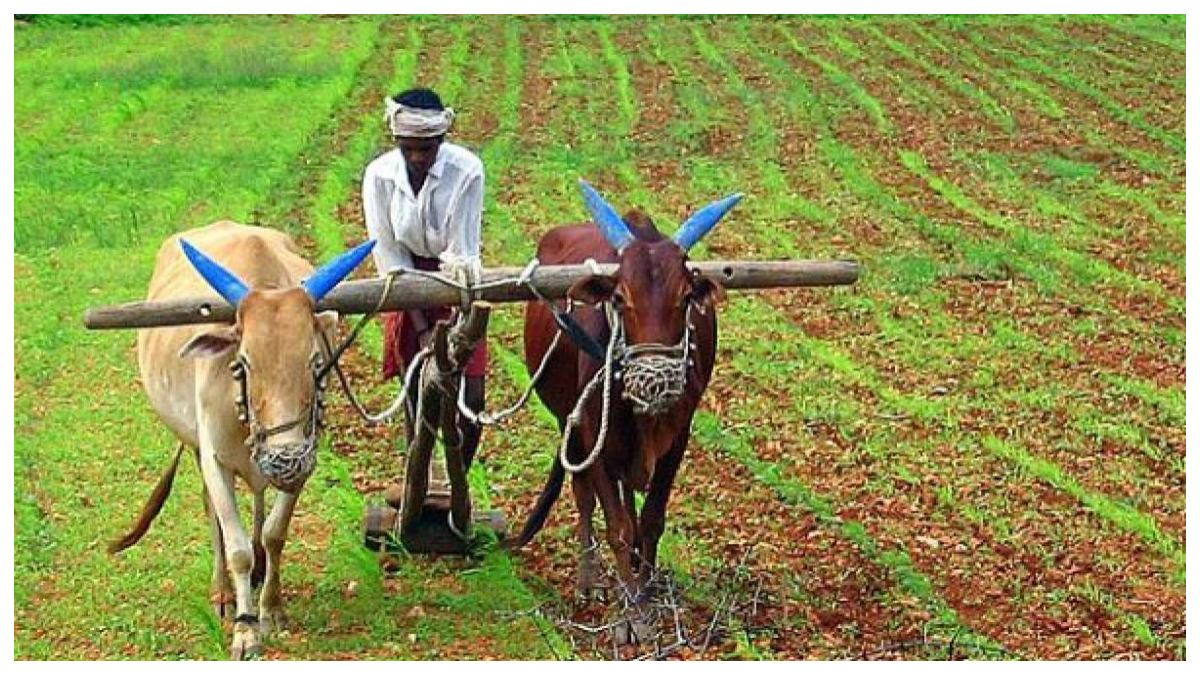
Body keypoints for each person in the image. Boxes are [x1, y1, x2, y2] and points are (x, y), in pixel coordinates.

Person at [362, 87, 487, 470]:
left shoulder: (467, 171)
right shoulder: (380, 176)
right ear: (397, 142)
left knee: (472, 397)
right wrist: (420, 329)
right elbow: (390, 255)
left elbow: (462, 254)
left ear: (442, 140)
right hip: (406, 285)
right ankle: (418, 473)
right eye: (409, 148)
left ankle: (457, 477)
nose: (417, 157)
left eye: (427, 148)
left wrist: (455, 329)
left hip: (457, 284)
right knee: (417, 388)